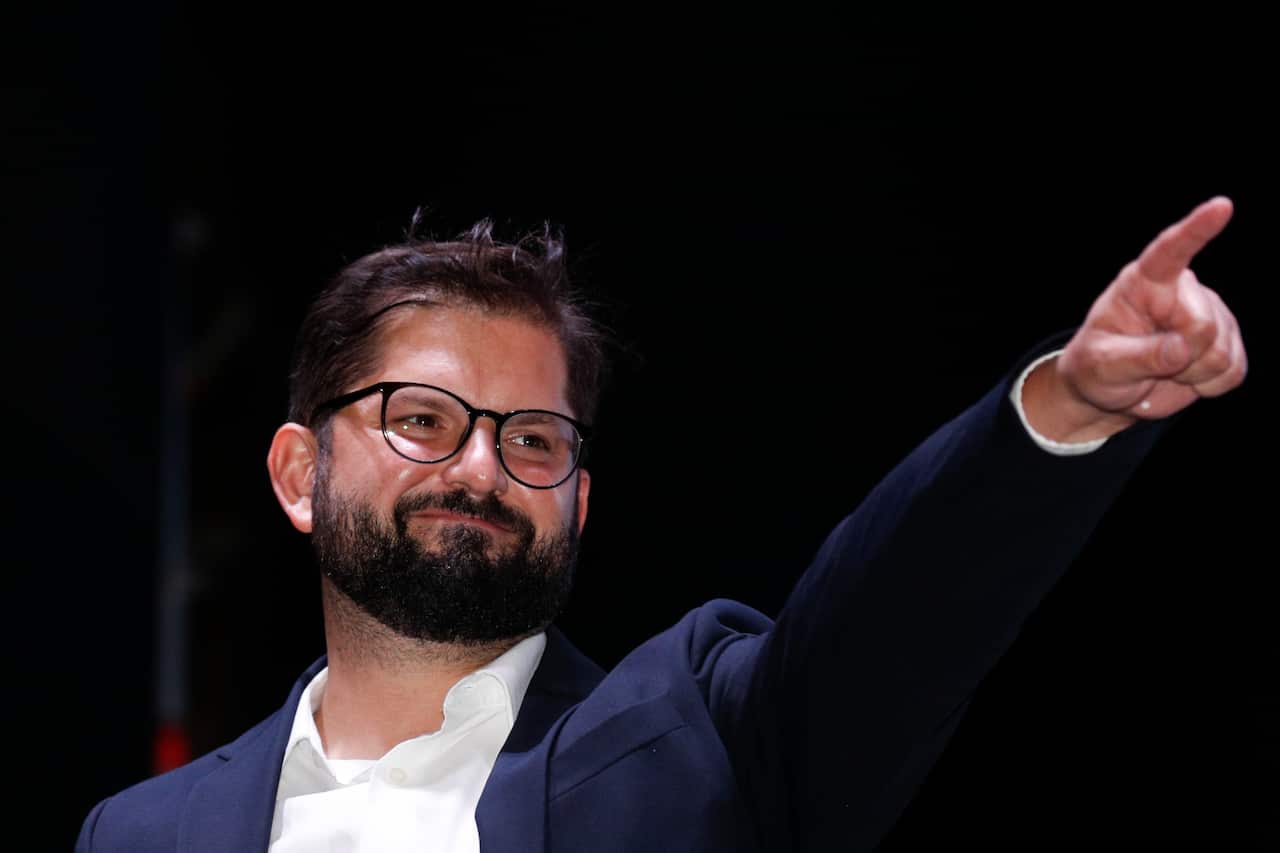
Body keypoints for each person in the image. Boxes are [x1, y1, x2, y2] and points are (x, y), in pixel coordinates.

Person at [76, 197, 1247, 852]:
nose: (480, 465)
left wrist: (1065, 408)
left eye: (532, 437)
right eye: (422, 418)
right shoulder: (139, 833)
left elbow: (902, 606)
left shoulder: (703, 739)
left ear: (575, 500)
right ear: (297, 472)